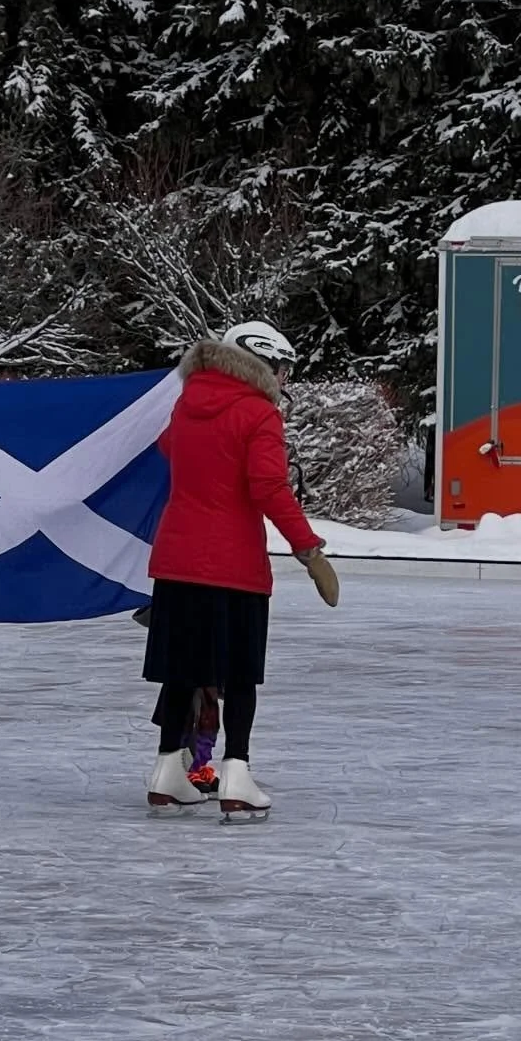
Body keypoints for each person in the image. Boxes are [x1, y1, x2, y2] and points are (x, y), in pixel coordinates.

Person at [143, 319, 340, 822]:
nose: (283, 378)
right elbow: (268, 487)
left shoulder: (187, 403)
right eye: (280, 368)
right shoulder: (258, 412)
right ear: (260, 363)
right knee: (239, 674)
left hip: (176, 561)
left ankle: (167, 772)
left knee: (182, 669)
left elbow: (167, 448)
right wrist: (309, 550)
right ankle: (236, 775)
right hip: (232, 566)